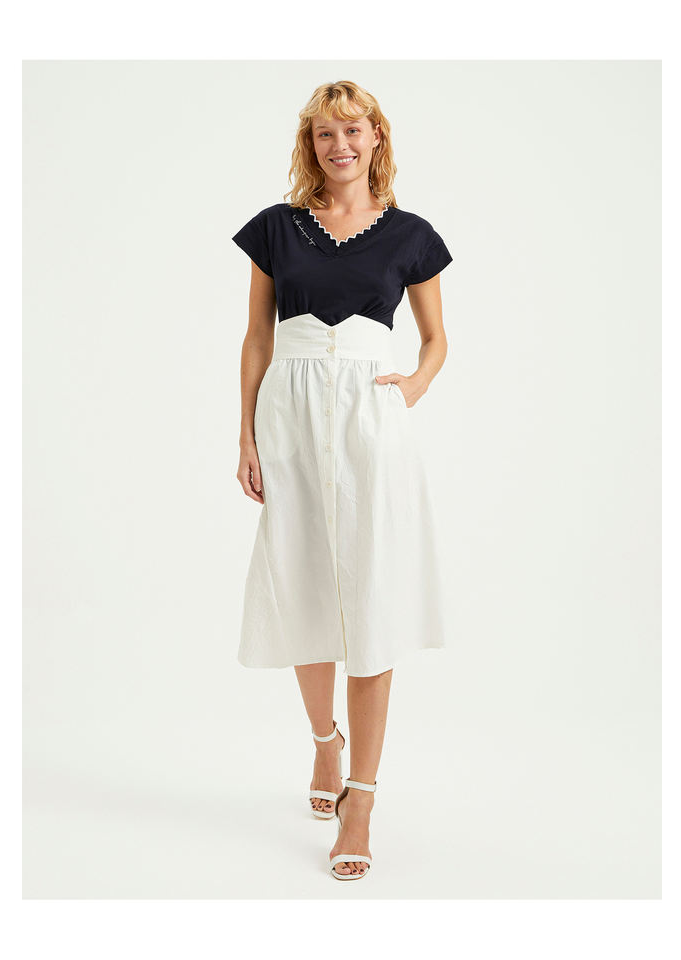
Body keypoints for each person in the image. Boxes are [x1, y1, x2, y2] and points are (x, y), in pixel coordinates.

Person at [233, 80, 452, 881]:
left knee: (371, 596)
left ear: (376, 137)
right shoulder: (277, 227)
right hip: (289, 415)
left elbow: (435, 340)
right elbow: (257, 337)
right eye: (326, 133)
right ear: (311, 144)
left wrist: (411, 388)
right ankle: (325, 741)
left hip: (369, 418)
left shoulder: (412, 235)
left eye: (353, 130)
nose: (340, 146)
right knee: (303, 584)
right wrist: (247, 433)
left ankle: (361, 794)